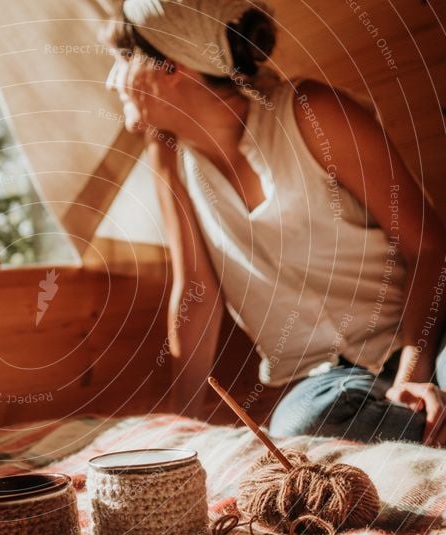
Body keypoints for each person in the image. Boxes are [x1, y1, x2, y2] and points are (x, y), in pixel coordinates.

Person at [103, 0, 446, 445]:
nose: (112, 80)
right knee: (302, 424)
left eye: (124, 57)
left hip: (427, 339)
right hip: (331, 383)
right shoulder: (168, 157)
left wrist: (413, 374)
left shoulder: (312, 113)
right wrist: (180, 432)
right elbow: (197, 295)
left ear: (171, 66)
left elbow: (430, 246)